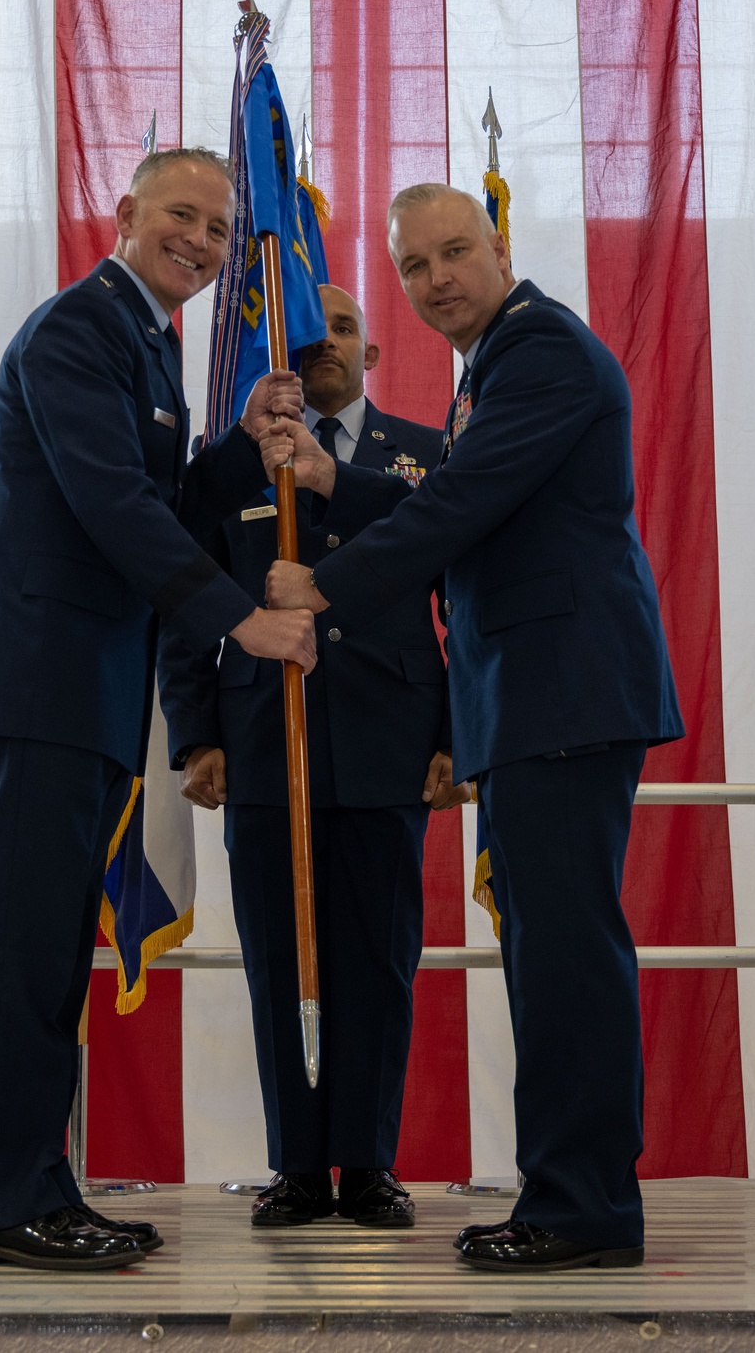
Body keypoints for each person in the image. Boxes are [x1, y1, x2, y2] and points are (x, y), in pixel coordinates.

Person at [264, 185, 684, 1272]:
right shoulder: (494, 364)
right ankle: (568, 1193)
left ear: (500, 251)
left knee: (564, 960)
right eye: (414, 265)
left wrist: (320, 586)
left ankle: (581, 1208)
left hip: (563, 687)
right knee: (547, 955)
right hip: (534, 692)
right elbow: (451, 494)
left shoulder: (539, 350)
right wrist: (335, 483)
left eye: (456, 252)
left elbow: (461, 507)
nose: (436, 277)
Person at [0, 148, 317, 1272]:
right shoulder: (76, 330)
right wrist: (238, 619)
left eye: (213, 227)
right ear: (124, 214)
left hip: (88, 685)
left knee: (53, 952)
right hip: (39, 677)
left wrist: (235, 439)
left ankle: (37, 1185)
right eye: (177, 216)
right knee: (21, 950)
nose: (196, 240)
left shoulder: (147, 336)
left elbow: (155, 495)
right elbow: (107, 505)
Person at [158, 283, 467, 1231]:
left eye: (342, 329)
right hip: (262, 737)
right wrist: (197, 729)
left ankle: (368, 1166)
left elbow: (465, 596)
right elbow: (185, 588)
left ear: (372, 353)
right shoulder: (237, 463)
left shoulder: (425, 456)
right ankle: (296, 1166)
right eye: (305, 331)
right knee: (277, 960)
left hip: (391, 737)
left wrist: (457, 735)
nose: (322, 343)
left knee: (377, 959)